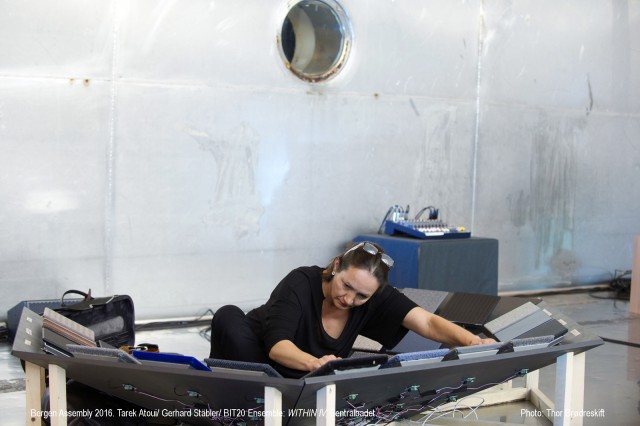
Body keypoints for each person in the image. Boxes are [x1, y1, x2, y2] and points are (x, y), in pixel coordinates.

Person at [209, 241, 495, 378]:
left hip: (302, 379)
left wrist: (474, 342)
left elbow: (428, 322)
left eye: (361, 296)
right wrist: (316, 364)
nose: (348, 299)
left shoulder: (373, 297)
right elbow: (278, 346)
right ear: (336, 266)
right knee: (228, 315)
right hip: (258, 357)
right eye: (346, 285)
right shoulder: (300, 282)